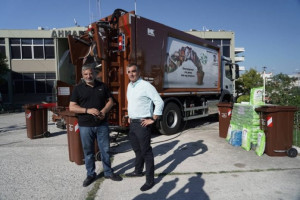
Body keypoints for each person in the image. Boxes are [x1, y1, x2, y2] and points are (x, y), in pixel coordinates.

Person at [69, 64, 122, 187]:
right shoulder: (78, 89)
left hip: (102, 124)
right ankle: (90, 174)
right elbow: (72, 107)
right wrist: (88, 110)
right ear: (82, 75)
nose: (89, 76)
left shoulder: (102, 86)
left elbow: (110, 101)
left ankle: (108, 172)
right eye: (86, 74)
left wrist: (103, 111)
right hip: (85, 126)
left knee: (105, 150)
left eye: (91, 73)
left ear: (95, 73)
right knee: (88, 152)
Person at [125, 63, 164, 191]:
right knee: (137, 150)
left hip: (143, 124)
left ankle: (150, 180)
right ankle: (138, 171)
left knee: (146, 152)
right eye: (129, 72)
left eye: (134, 71)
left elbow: (159, 102)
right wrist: (130, 115)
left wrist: (153, 118)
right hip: (133, 123)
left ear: (139, 72)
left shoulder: (146, 86)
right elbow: (132, 102)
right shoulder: (130, 86)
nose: (131, 74)